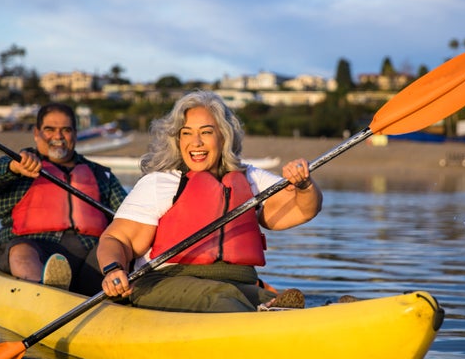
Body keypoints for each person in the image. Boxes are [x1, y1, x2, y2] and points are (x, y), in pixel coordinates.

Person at [97, 90, 323, 312]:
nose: (195, 143)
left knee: (277, 301)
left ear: (223, 136)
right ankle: (262, 323)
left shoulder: (251, 178)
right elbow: (117, 238)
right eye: (186, 133)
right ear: (177, 139)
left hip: (238, 284)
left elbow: (302, 209)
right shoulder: (160, 183)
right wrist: (113, 269)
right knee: (222, 297)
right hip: (165, 282)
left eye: (206, 132)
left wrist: (304, 186)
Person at [0, 103, 128, 296]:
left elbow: (129, 216)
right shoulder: (18, 166)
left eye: (66, 130)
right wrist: (12, 167)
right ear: (37, 133)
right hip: (33, 247)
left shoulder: (101, 175)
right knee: (22, 253)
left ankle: (114, 292)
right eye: (50, 129)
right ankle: (42, 293)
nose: (58, 136)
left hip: (89, 254)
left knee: (116, 248)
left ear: (75, 134)